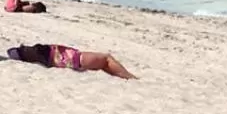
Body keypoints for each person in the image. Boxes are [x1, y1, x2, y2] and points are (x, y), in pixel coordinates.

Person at [7, 43, 136, 79]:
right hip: (74, 59)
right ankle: (129, 77)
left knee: (102, 64)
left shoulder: (37, 56)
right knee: (106, 58)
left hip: (70, 60)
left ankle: (122, 76)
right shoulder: (39, 51)